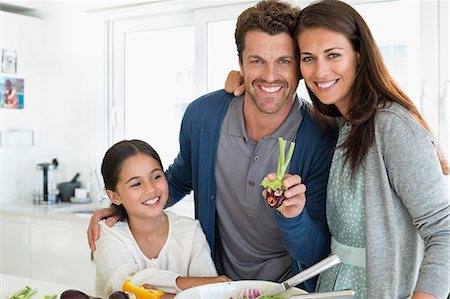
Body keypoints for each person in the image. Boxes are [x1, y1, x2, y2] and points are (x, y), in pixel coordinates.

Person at [88, 0, 336, 292]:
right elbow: (179, 180)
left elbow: (317, 252)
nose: (270, 75)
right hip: (219, 287)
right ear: (241, 63)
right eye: (257, 60)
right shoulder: (203, 116)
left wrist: (295, 218)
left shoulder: (321, 136)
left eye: (284, 60)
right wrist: (126, 207)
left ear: (299, 65)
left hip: (285, 290)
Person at [226, 0, 450, 298]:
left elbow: (444, 231)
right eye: (308, 58)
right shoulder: (341, 125)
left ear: (359, 54)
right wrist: (249, 80)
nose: (320, 71)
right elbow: (274, 81)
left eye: (333, 55)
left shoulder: (392, 126)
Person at [93, 139, 230, 298]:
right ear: (114, 196)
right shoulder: (107, 233)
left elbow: (210, 293)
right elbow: (125, 286)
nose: (151, 189)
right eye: (136, 184)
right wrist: (180, 284)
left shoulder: (189, 230)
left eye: (156, 176)